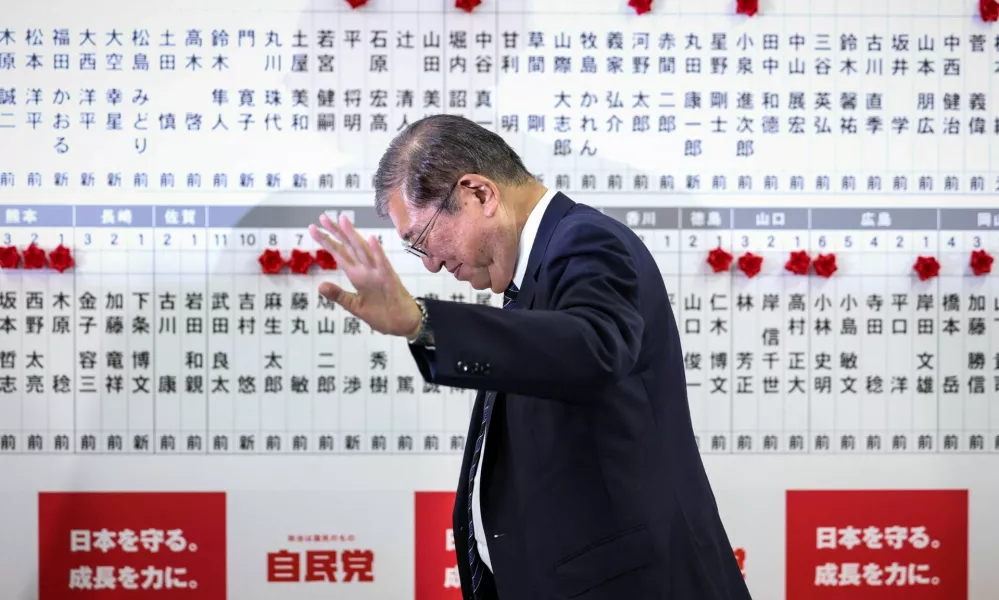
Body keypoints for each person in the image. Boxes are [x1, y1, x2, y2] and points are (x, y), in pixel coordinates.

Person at [308, 114, 752, 600]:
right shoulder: (536, 266)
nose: (431, 263)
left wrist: (422, 322)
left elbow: (594, 347)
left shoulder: (584, 240)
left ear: (479, 193)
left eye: (422, 239)